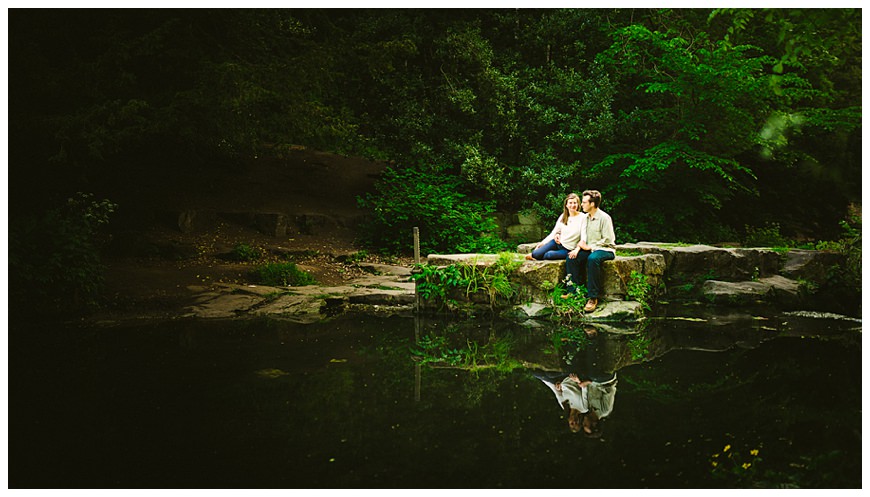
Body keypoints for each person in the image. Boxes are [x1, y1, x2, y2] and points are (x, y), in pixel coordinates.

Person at [563, 190, 616, 312]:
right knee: (572, 257)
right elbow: (575, 232)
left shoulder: (604, 218)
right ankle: (573, 292)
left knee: (592, 259)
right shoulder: (585, 218)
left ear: (592, 204)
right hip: (589, 248)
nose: (581, 205)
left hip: (605, 249)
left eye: (584, 202)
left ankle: (593, 297)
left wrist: (590, 247)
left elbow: (608, 239)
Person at [525, 193, 585, 261]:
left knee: (548, 255)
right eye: (570, 203)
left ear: (578, 204)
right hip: (557, 243)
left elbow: (583, 237)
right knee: (536, 253)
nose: (572, 205)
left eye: (575, 203)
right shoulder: (563, 216)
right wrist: (543, 243)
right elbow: (554, 232)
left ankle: (541, 256)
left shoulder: (582, 217)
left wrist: (577, 249)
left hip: (568, 249)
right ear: (566, 205)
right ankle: (536, 255)